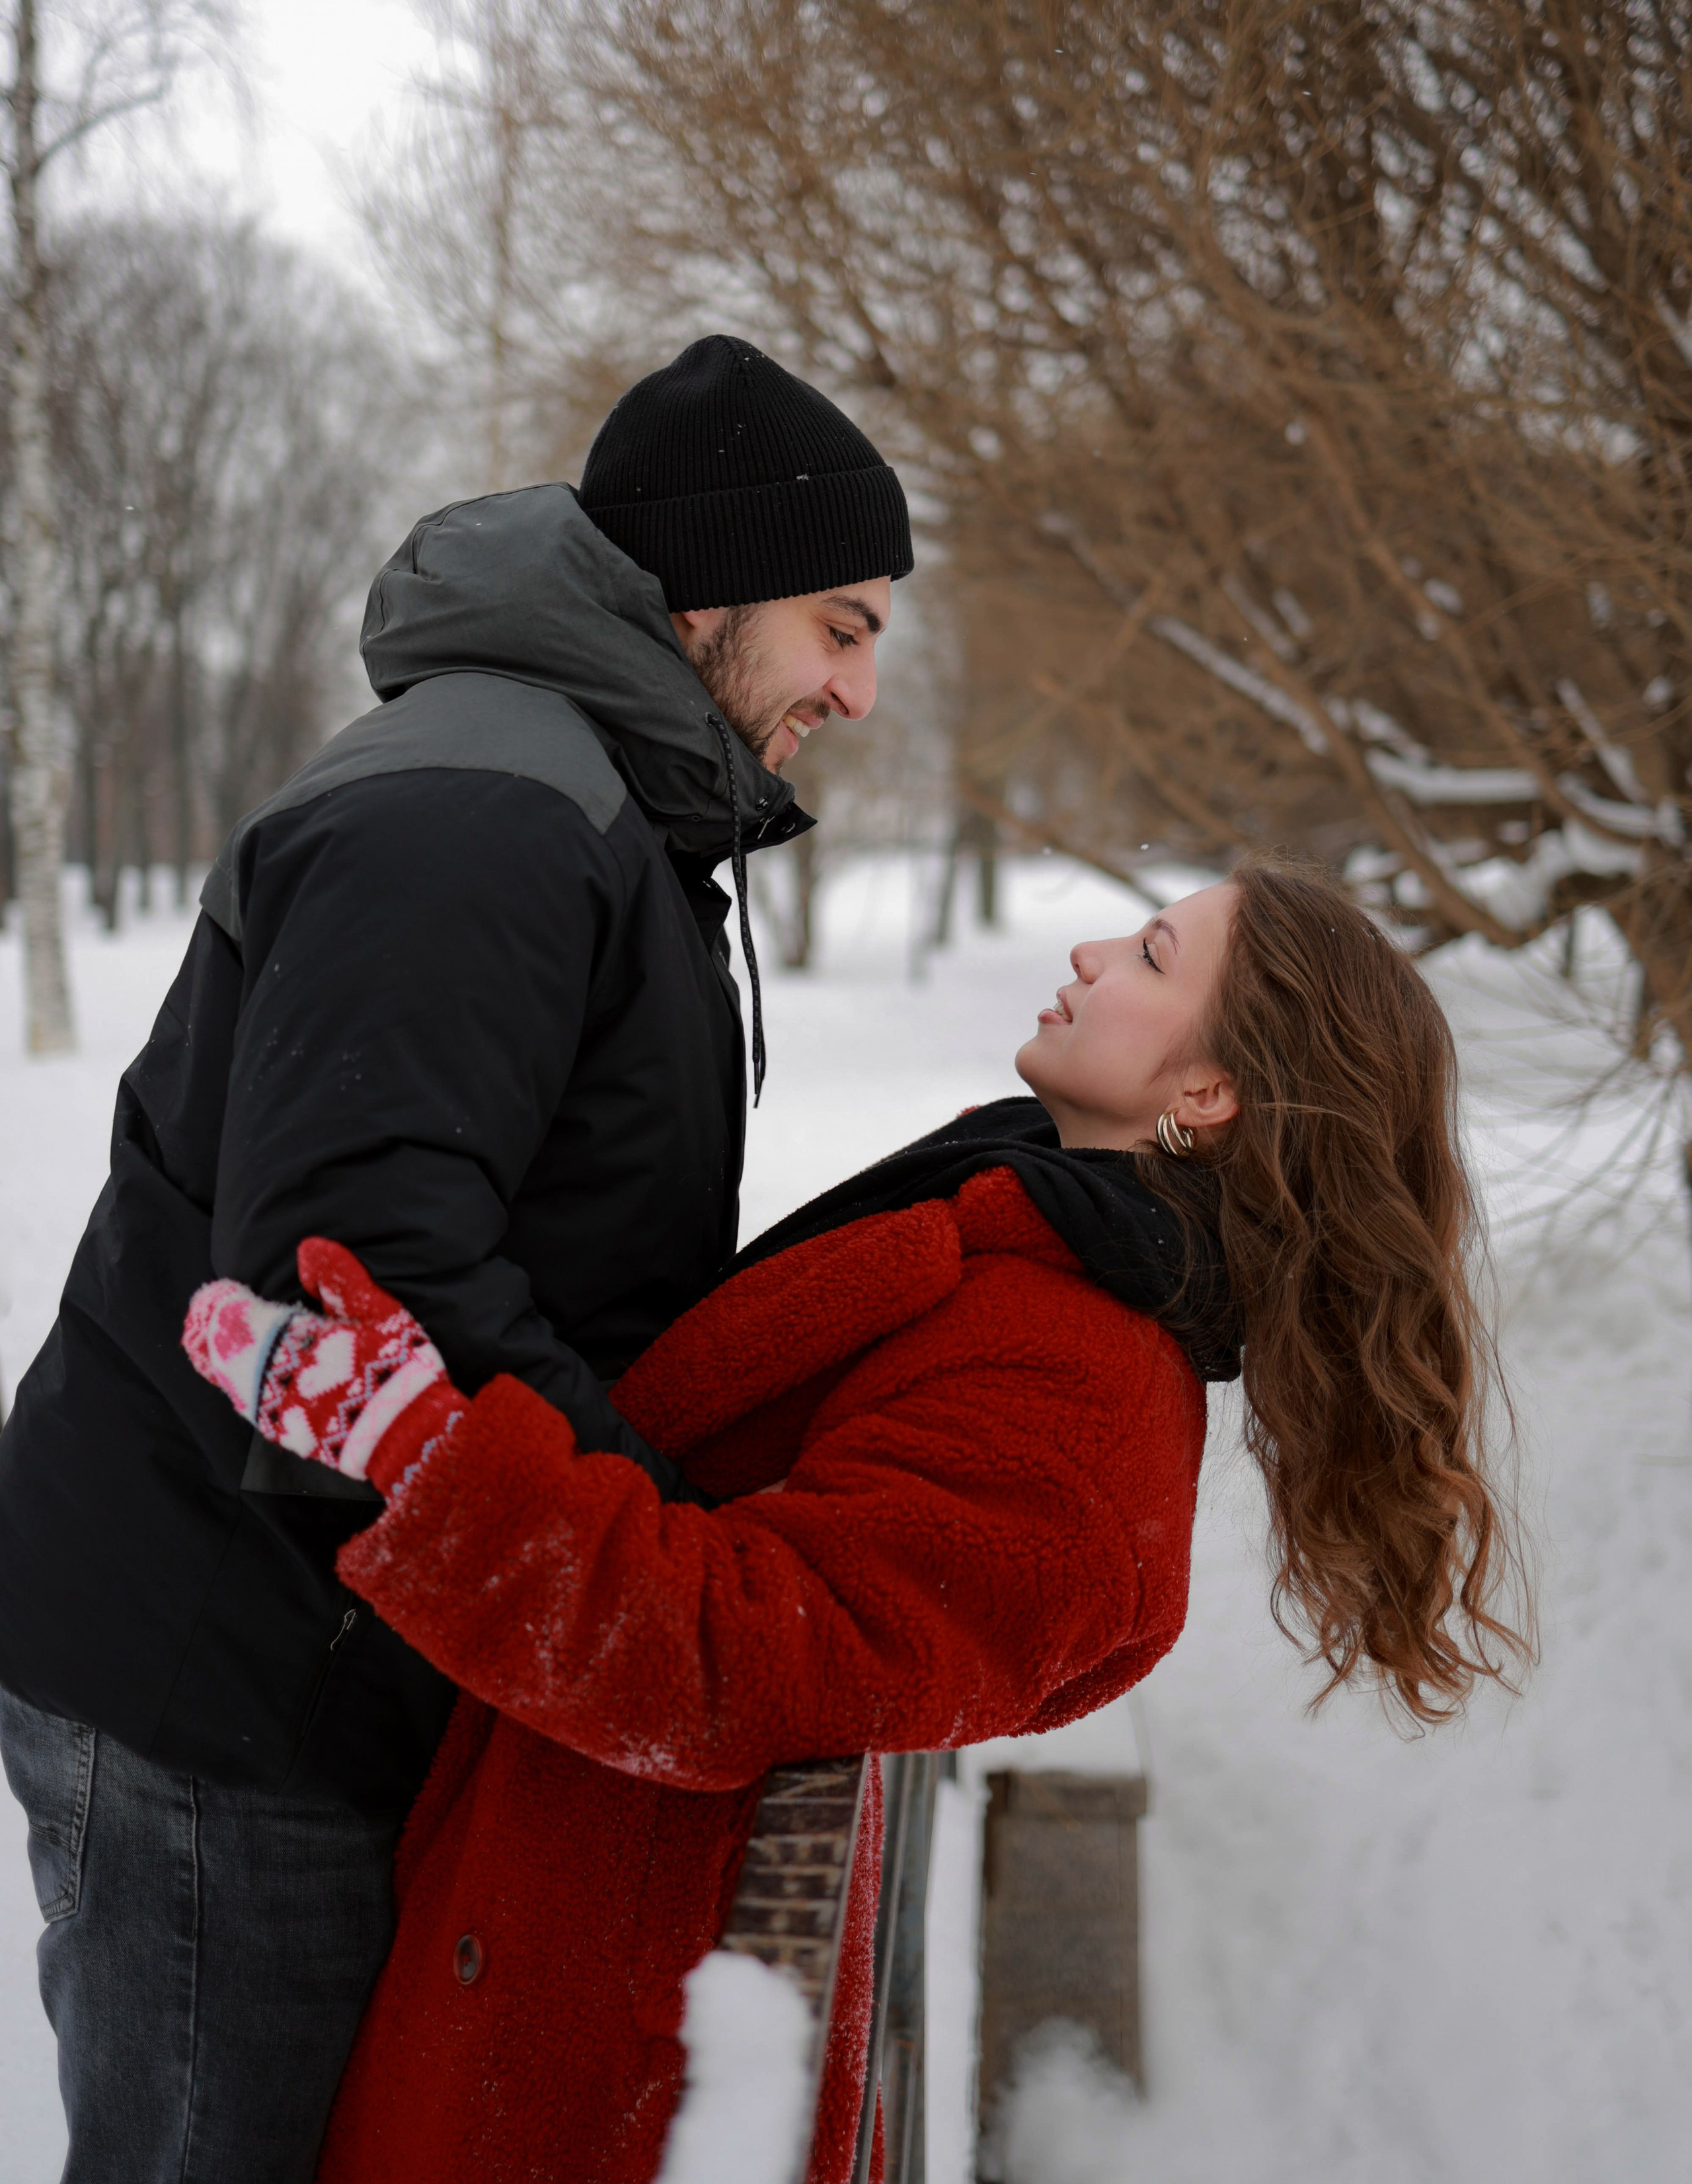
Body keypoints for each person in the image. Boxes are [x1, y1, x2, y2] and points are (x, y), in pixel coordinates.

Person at [180, 857, 1529, 2184]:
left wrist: (426, 1455)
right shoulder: (1023, 1235)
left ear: (1207, 1092)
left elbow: (736, 1659)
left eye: (1149, 958)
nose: (1088, 960)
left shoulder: (1082, 1390)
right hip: (554, 1926)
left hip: (605, 2071)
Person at [0, 336, 912, 2184]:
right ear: (710, 590)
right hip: (225, 1681)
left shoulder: (589, 804)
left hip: (331, 1648)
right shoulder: (478, 814)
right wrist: (652, 1540)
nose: (859, 689)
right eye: (841, 623)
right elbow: (351, 1281)